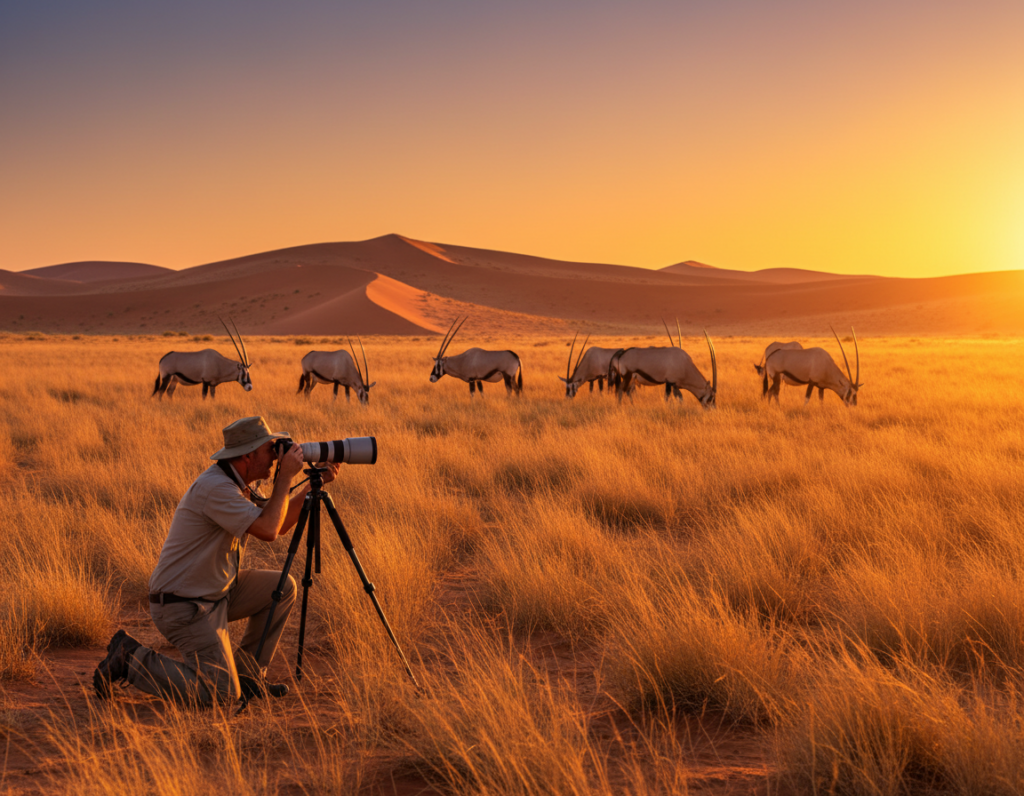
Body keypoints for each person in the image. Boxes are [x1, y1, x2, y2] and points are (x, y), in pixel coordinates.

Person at [93, 416, 340, 705]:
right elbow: (269, 530)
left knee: (283, 587)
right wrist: (285, 478)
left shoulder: (237, 483)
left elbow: (279, 522)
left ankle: (249, 678)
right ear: (248, 456)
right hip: (183, 605)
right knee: (220, 694)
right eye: (269, 450)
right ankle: (131, 658)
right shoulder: (216, 488)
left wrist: (314, 483)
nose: (275, 457)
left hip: (214, 591)